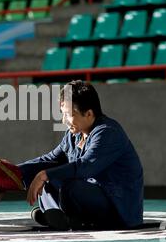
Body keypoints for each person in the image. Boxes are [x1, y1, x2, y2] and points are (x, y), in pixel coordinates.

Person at [18, 80, 144, 231]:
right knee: (48, 179)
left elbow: (85, 166)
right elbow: (49, 159)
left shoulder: (108, 132)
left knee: (68, 186)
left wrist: (43, 175)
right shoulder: (74, 135)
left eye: (68, 115)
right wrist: (12, 172)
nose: (64, 121)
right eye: (63, 114)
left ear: (89, 113)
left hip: (118, 208)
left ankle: (58, 215)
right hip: (90, 197)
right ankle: (59, 216)